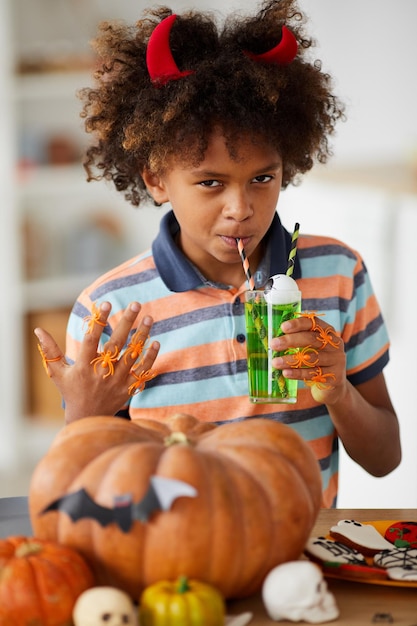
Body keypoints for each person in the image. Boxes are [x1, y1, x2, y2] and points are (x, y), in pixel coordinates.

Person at [34, 0, 401, 507]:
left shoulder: (338, 273)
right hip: (181, 564)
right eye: (210, 183)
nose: (241, 209)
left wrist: (337, 390)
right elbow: (81, 498)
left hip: (306, 562)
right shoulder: (112, 312)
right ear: (157, 179)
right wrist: (86, 415)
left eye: (262, 178)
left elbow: (386, 459)